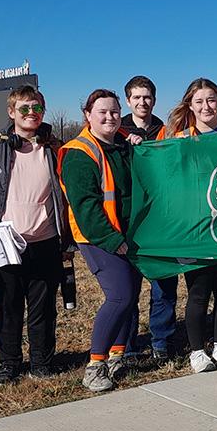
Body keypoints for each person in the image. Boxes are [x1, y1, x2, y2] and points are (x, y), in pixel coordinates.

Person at [0, 85, 71, 387]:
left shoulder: (53, 148)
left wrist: (67, 242)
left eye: (36, 107)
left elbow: (65, 196)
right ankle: (8, 365)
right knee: (6, 307)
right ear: (11, 113)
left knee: (43, 309)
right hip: (5, 244)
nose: (31, 113)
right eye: (24, 108)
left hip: (46, 241)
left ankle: (41, 363)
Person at [59, 89, 140, 392]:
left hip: (126, 235)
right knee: (119, 296)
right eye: (102, 112)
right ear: (88, 116)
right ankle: (94, 365)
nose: (109, 117)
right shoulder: (79, 152)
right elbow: (85, 206)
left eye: (115, 112)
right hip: (98, 238)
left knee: (130, 295)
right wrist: (110, 239)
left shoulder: (121, 147)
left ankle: (117, 356)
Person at [168, 78, 217, 372]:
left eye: (211, 100)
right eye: (199, 101)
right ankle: (198, 351)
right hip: (197, 230)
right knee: (198, 292)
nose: (206, 107)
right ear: (190, 106)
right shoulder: (180, 139)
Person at [119, 75, 179, 363]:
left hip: (161, 219)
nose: (143, 102)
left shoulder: (166, 131)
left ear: (154, 99)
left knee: (164, 285)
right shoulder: (115, 132)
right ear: (128, 100)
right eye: (137, 97)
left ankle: (161, 342)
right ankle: (128, 346)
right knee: (128, 288)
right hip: (130, 220)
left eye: (148, 97)